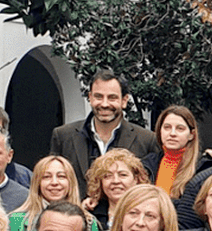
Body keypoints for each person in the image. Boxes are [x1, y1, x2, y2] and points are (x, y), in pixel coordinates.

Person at [48, 70, 159, 201]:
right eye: (98, 97)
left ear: (124, 100)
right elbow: (52, 180)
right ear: (90, 97)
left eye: (112, 98)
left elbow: (150, 191)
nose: (104, 104)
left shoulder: (146, 140)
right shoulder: (63, 136)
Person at [8, 157, 100, 231]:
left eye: (61, 176)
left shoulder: (89, 223)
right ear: (37, 183)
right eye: (46, 177)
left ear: (71, 182)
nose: (54, 182)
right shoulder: (15, 221)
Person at [140, 106, 206, 201]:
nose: (172, 133)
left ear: (191, 134)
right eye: (167, 127)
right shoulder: (147, 164)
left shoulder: (202, 167)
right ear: (159, 131)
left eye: (180, 128)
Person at [81, 148, 149, 228]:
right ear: (100, 182)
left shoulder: (149, 212)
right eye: (108, 176)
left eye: (123, 175)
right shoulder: (91, 214)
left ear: (136, 179)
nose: (115, 181)